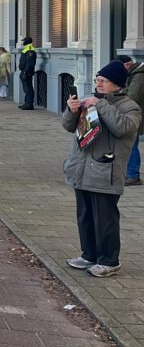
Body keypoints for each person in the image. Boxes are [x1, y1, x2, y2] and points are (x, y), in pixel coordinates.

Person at [62, 61, 141, 278]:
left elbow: (122, 128)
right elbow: (69, 127)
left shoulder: (130, 107)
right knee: (85, 215)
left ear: (116, 84)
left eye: (103, 81)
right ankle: (89, 254)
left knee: (105, 219)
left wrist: (101, 105)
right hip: (82, 169)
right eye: (97, 80)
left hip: (105, 171)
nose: (99, 84)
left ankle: (109, 260)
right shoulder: (91, 101)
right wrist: (72, 110)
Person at [119, 54, 144, 186]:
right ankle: (129, 173)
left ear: (128, 64)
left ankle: (133, 174)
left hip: (135, 115)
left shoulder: (139, 75)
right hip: (134, 114)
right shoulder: (134, 73)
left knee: (131, 144)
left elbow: (133, 96)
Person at [18, 36, 38, 109]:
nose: (23, 42)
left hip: (27, 72)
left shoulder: (30, 50)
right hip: (24, 70)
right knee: (26, 88)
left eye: (24, 41)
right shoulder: (26, 49)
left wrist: (25, 72)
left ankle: (29, 104)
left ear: (27, 41)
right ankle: (26, 103)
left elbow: (30, 63)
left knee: (28, 88)